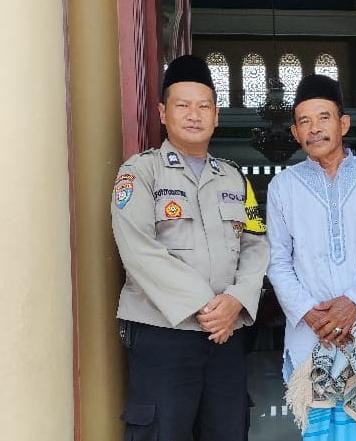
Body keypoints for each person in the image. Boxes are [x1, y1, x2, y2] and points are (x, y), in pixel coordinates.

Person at [111, 54, 269, 441]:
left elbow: (255, 244)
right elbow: (138, 249)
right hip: (163, 333)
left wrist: (237, 299)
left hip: (226, 333)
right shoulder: (139, 172)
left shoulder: (234, 178)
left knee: (228, 431)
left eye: (204, 106)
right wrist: (205, 304)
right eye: (183, 105)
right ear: (163, 113)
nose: (194, 115)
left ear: (216, 116)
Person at [266, 74, 356, 441]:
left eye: (323, 117)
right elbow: (277, 261)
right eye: (304, 121)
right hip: (313, 336)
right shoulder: (282, 187)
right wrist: (311, 314)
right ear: (295, 132)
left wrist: (354, 302)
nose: (314, 128)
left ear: (343, 123)